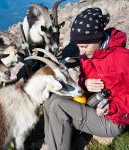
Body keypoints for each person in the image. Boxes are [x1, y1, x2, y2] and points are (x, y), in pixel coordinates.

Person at [40, 7, 129, 150]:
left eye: (84, 46)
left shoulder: (121, 58)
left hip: (113, 120)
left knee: (59, 106)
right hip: (93, 102)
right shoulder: (89, 55)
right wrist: (85, 83)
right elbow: (83, 78)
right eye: (79, 47)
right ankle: (50, 144)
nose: (81, 52)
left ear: (97, 38)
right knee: (51, 99)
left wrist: (112, 107)